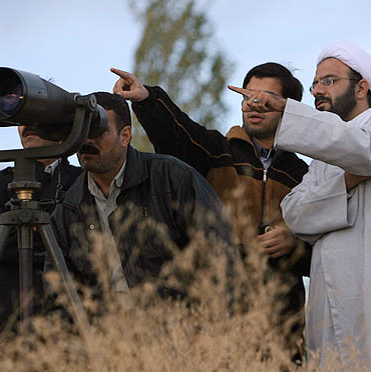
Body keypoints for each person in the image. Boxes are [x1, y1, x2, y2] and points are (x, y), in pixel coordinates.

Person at [229, 42, 371, 370]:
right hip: (331, 316)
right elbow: (295, 214)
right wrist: (346, 182)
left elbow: (364, 150)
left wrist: (288, 112)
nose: (317, 90)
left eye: (328, 81)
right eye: (315, 83)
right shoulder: (320, 165)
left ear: (362, 88)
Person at [111, 63, 311, 359]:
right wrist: (146, 98)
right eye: (247, 96)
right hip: (217, 316)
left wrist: (294, 245)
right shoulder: (217, 151)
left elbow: (323, 251)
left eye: (265, 99)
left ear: (287, 107)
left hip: (282, 322)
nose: (254, 105)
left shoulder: (306, 175)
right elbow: (177, 134)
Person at [47, 92, 232, 317]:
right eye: (82, 130)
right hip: (109, 345)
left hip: (182, 336)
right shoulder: (68, 208)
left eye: (98, 130)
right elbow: (58, 295)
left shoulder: (173, 178)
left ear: (125, 136)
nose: (87, 141)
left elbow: (220, 259)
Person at [0, 126, 82, 352]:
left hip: (69, 321)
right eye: (22, 118)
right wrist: (51, 232)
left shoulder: (83, 181)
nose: (28, 126)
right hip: (8, 324)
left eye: (39, 117)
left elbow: (83, 241)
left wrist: (25, 232)